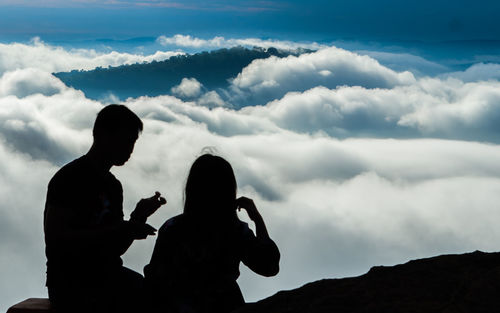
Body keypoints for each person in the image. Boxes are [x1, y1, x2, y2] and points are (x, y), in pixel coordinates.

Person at [43, 104, 167, 313]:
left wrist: (138, 218)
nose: (130, 150)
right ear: (102, 135)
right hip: (69, 282)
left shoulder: (113, 186)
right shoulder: (68, 179)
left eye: (133, 143)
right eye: (126, 141)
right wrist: (122, 229)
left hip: (107, 275)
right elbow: (57, 240)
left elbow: (115, 249)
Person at [144, 153, 280, 313]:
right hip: (224, 306)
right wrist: (257, 219)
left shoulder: (173, 227)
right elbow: (269, 266)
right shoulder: (234, 231)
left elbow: (154, 277)